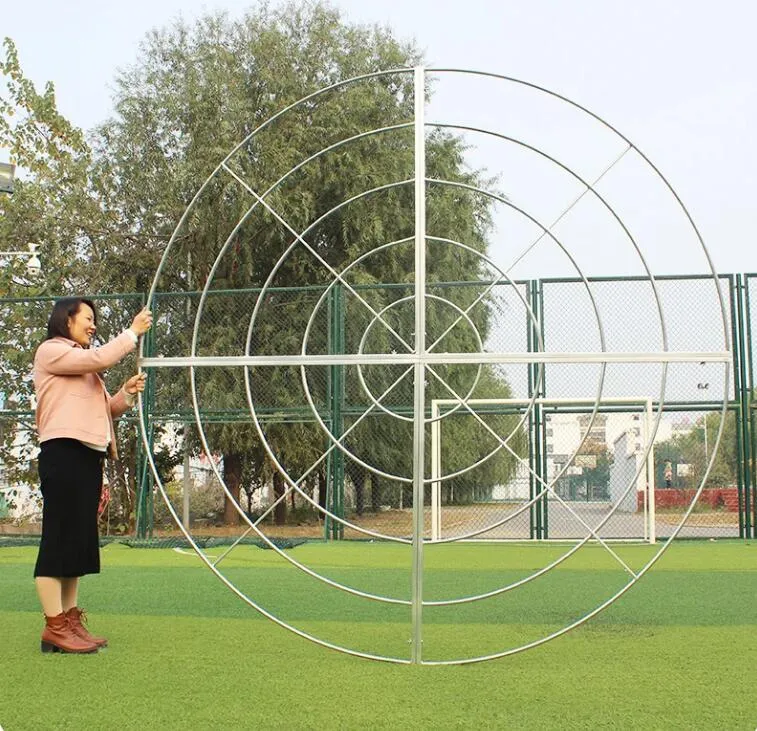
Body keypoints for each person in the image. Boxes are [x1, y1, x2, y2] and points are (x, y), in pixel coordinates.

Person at [33, 297, 152, 653]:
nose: (93, 324)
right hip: (63, 453)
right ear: (65, 320)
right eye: (88, 318)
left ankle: (70, 621)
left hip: (87, 456)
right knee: (58, 540)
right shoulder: (52, 351)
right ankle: (55, 627)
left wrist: (126, 395)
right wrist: (132, 333)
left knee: (77, 544)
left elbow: (104, 411)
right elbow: (100, 357)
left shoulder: (83, 369)